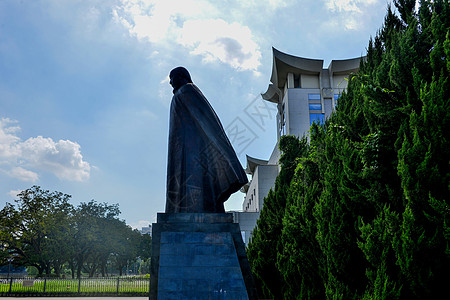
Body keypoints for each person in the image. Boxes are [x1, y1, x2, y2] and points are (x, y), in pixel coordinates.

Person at [165, 67, 248, 213]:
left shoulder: (187, 90)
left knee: (195, 180)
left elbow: (205, 118)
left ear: (182, 76)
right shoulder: (180, 94)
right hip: (182, 150)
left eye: (173, 77)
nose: (170, 82)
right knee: (186, 181)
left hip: (192, 149)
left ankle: (199, 210)